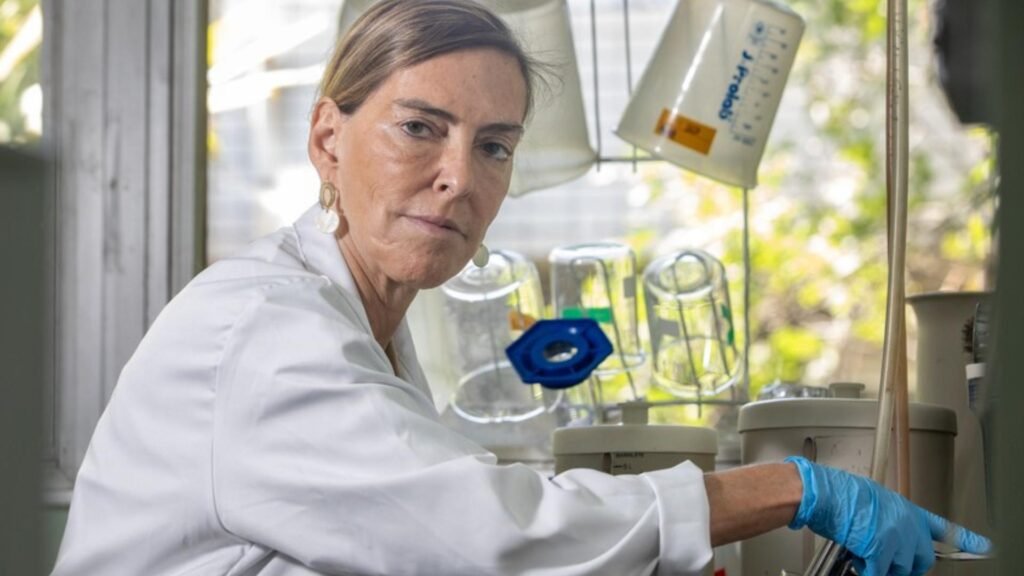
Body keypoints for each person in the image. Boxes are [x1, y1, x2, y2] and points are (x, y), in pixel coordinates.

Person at [52, 1, 991, 575]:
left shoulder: (365, 327)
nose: (459, 177)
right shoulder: (262, 329)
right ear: (328, 139)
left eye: (494, 146)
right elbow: (483, 538)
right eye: (420, 128)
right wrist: (793, 487)